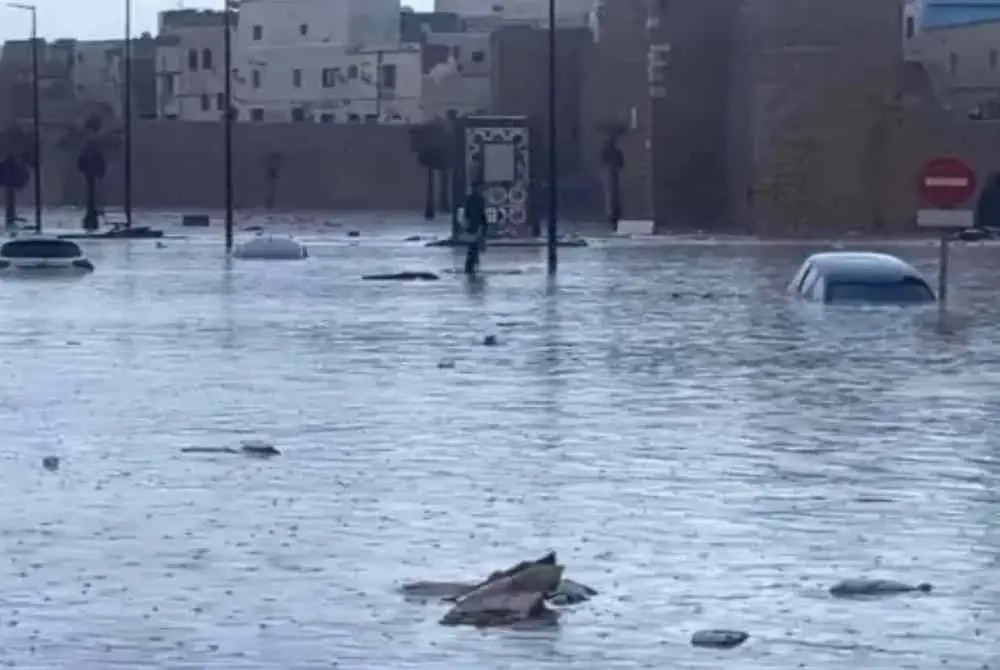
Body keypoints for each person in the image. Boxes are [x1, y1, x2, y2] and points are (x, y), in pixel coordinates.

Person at [463, 183, 488, 275]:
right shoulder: (472, 199)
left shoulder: (478, 199)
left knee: (474, 247)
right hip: (474, 225)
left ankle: (471, 266)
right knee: (473, 247)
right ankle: (470, 266)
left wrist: (484, 224)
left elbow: (481, 213)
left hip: (476, 225)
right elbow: (467, 213)